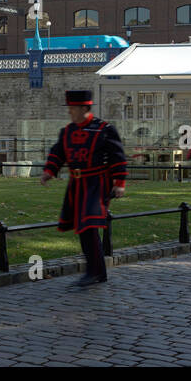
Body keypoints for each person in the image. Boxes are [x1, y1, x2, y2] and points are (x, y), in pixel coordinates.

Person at [40, 89, 128, 288]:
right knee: (83, 228)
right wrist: (49, 172)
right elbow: (58, 152)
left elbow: (118, 157)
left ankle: (94, 272)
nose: (70, 112)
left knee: (88, 226)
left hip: (97, 184)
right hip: (76, 185)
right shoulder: (68, 131)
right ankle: (97, 272)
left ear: (83, 108)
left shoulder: (104, 129)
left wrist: (119, 184)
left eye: (72, 108)